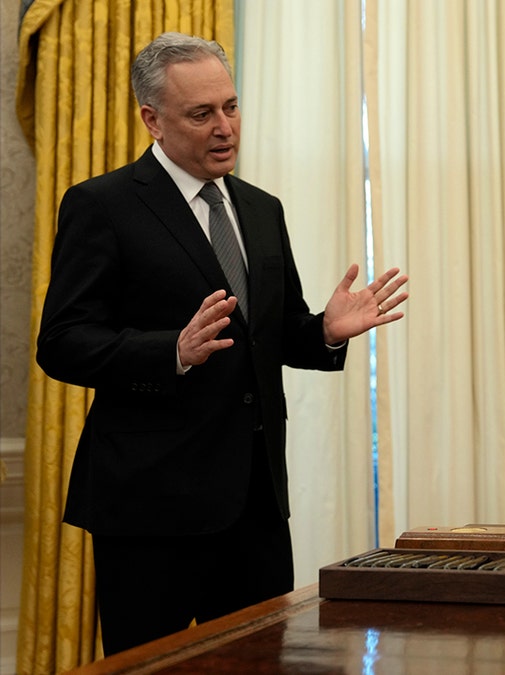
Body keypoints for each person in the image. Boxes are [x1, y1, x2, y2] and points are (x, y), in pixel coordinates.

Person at [36, 32, 409, 654]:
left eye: (231, 107)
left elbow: (276, 333)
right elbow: (63, 342)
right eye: (201, 114)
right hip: (151, 507)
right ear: (152, 119)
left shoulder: (261, 208)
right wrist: (171, 352)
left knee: (261, 661)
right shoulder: (102, 206)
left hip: (256, 503)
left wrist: (323, 331)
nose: (224, 127)